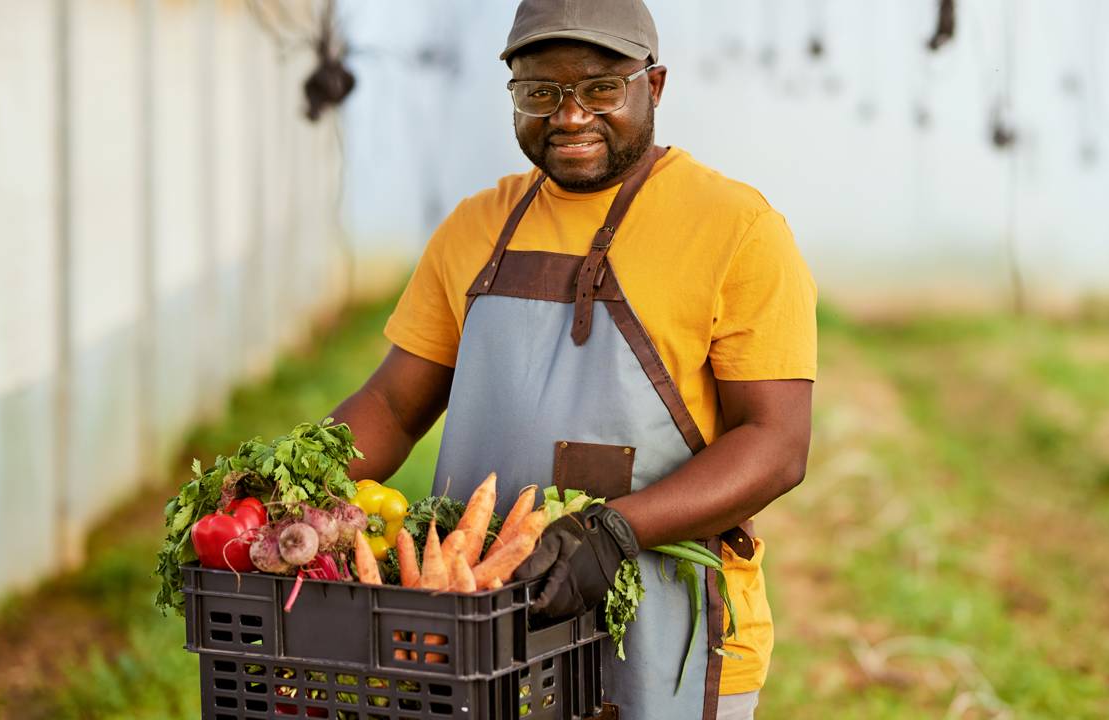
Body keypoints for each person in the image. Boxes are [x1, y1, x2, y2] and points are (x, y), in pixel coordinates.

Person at [329, 0, 816, 717]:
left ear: (655, 86)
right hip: (482, 621)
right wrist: (288, 491)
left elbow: (775, 444)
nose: (569, 116)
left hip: (669, 634)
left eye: (600, 88)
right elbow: (395, 405)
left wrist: (617, 531)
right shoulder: (476, 226)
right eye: (540, 93)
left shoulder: (737, 230)